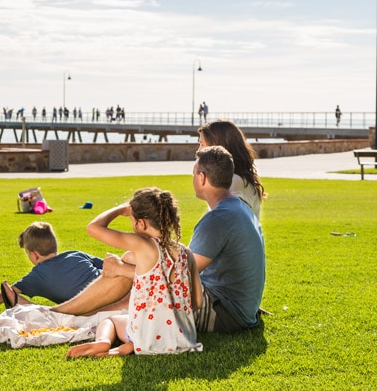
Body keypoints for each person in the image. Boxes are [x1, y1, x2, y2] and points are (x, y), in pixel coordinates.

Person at [53, 146, 266, 334]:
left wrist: (121, 269)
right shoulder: (238, 207)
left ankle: (63, 313)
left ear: (202, 178)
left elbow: (180, 279)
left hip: (225, 314)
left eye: (193, 173)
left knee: (130, 263)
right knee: (132, 259)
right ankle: (75, 313)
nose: (192, 179)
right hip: (236, 308)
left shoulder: (217, 219)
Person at [66, 188, 202, 357]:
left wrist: (122, 209)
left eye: (132, 219)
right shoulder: (186, 253)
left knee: (112, 321)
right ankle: (125, 347)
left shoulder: (142, 245)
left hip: (145, 337)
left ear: (141, 223)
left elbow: (93, 228)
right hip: (181, 339)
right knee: (140, 321)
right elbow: (196, 302)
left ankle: (104, 342)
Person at [0, 222, 103, 316]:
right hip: (116, 291)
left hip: (89, 308)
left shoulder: (38, 275)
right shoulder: (76, 254)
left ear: (34, 255)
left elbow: (3, 294)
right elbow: (107, 265)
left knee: (40, 308)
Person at [198, 120, 265, 221]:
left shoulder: (234, 181)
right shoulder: (235, 179)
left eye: (202, 144)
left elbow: (217, 227)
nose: (198, 150)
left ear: (217, 147)